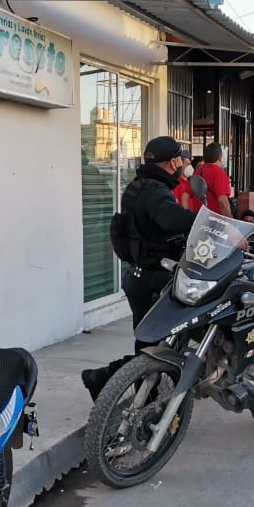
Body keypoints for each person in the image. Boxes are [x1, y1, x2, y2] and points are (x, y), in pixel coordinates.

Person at [81, 135, 198, 400]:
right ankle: (135, 395)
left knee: (149, 344)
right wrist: (206, 221)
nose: (183, 164)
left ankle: (116, 385)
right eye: (180, 159)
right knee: (154, 349)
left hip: (140, 276)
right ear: (172, 162)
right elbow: (171, 219)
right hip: (154, 278)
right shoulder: (155, 191)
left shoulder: (140, 185)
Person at [196, 142, 235, 217]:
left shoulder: (198, 171)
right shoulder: (218, 173)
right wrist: (229, 220)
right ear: (220, 157)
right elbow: (222, 201)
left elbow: (186, 195)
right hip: (214, 220)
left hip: (199, 218)